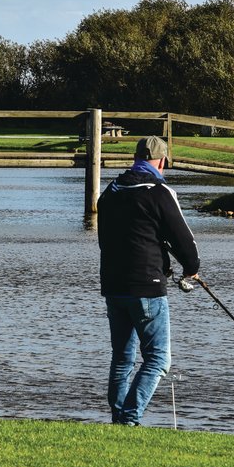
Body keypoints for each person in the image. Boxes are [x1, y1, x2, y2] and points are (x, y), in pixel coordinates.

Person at [97, 136, 200, 426]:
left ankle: (118, 420)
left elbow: (109, 239)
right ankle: (130, 418)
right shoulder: (159, 192)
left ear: (135, 158)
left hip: (113, 286)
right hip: (147, 287)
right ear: (162, 161)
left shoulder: (110, 191)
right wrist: (191, 269)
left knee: (122, 359)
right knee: (158, 359)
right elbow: (183, 239)